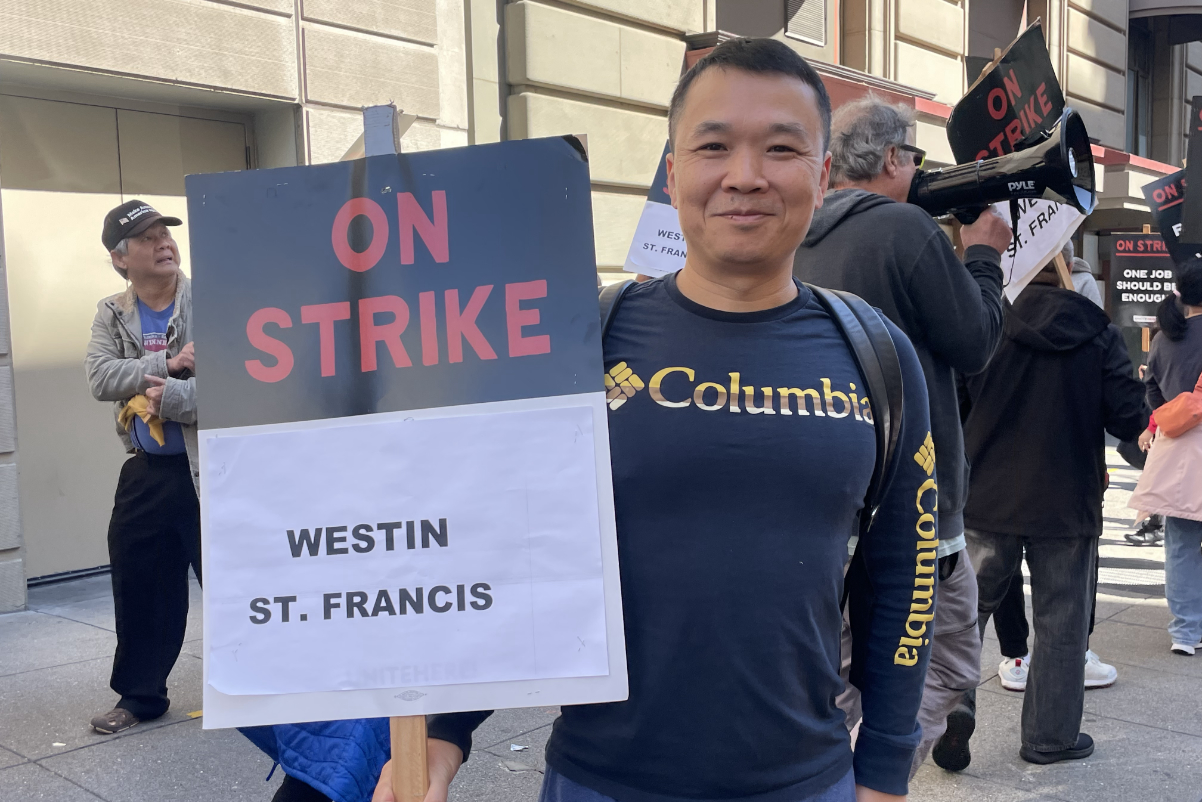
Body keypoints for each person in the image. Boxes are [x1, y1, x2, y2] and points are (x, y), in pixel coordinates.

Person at [374, 37, 937, 802]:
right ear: (674, 174)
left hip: (807, 781)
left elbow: (904, 573)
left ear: (823, 174)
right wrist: (443, 734)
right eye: (714, 147)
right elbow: (505, 546)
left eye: (780, 148)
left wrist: (884, 769)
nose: (745, 176)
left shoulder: (878, 355)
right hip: (601, 781)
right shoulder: (580, 339)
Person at [792, 96, 1010, 775]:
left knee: (844, 677)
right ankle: (860, 786)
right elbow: (975, 342)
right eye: (916, 157)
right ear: (891, 159)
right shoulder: (905, 230)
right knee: (941, 671)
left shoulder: (797, 228)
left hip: (831, 499)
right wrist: (983, 255)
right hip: (916, 508)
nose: (921, 170)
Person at [958, 261, 1147, 765]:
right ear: (1069, 274)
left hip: (986, 497)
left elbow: (952, 407)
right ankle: (1050, 737)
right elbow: (1129, 417)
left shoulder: (986, 327)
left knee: (962, 616)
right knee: (1061, 621)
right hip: (1067, 501)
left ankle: (948, 710)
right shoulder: (1099, 333)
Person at [85, 200, 200, 734]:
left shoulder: (213, 300)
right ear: (119, 258)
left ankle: (268, 684)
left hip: (212, 465)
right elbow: (101, 378)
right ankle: (140, 696)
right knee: (140, 582)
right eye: (148, 238)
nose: (164, 244)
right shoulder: (112, 312)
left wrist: (169, 399)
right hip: (148, 469)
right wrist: (169, 364)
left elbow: (244, 383)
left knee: (238, 579)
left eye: (166, 234)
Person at [1129, 259, 1202, 655]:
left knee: (1180, 542)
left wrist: (1167, 415)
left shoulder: (1164, 339)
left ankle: (1186, 632)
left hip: (1178, 447)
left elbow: (1152, 392)